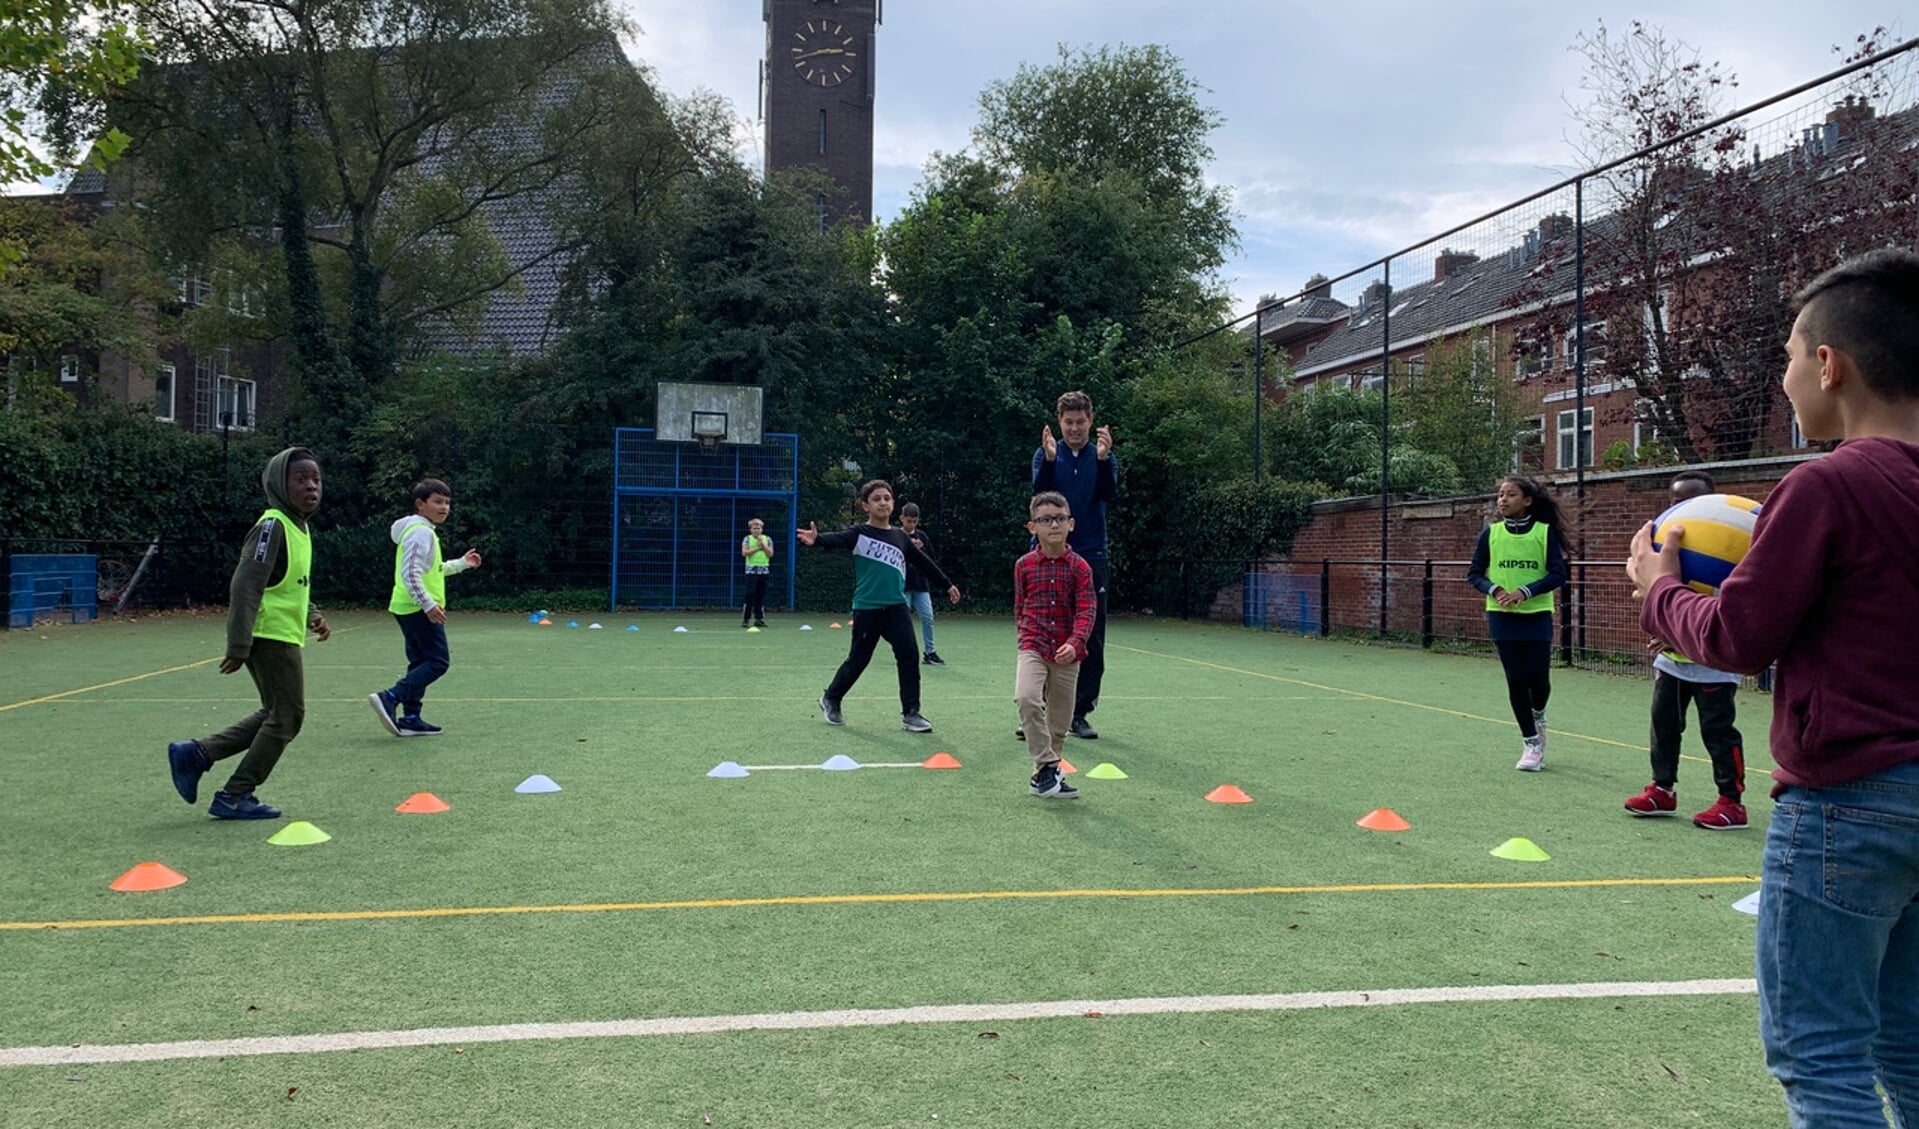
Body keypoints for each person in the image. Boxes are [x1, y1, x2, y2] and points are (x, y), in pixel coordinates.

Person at [1630, 249, 1919, 1129]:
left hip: (1849, 803)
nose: (1787, 375)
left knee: (1820, 1053)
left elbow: (1735, 638)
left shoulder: (1827, 483)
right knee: (1907, 1045)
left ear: (1828, 364)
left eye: (1790, 355)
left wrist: (1657, 591)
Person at [165, 447, 330, 820]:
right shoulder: (272, 525)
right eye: (300, 479)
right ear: (278, 484)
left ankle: (196, 753)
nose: (311, 487)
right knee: (288, 717)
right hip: (267, 634)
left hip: (282, 631)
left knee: (277, 712)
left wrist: (313, 614)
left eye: (316, 479)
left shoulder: (298, 527)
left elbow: (290, 582)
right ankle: (235, 794)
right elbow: (246, 584)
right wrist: (238, 644)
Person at [1623, 470, 1746, 828]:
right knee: (1664, 727)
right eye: (1676, 502)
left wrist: (1678, 631)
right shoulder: (1665, 545)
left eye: (1691, 501)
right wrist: (1667, 629)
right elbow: (1658, 599)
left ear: (1708, 502)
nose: (1682, 508)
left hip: (1713, 663)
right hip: (1673, 662)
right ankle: (1663, 789)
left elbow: (1720, 611)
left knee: (1718, 732)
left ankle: (1731, 802)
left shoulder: (1729, 546)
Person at [800, 480, 960, 732]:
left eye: (887, 498)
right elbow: (836, 539)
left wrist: (947, 584)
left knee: (909, 655)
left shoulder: (900, 537)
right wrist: (817, 539)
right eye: (877, 499)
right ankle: (831, 697)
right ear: (866, 505)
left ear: (893, 503)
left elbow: (923, 562)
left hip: (896, 608)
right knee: (859, 659)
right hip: (867, 608)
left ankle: (911, 713)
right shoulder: (859, 533)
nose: (883, 502)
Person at [1029, 389, 1117, 739]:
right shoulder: (1046, 453)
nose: (1075, 428)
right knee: (1043, 631)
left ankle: (1079, 713)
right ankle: (1037, 712)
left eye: (1081, 422)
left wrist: (1103, 458)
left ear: (1091, 422)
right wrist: (1050, 462)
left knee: (1091, 637)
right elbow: (1038, 497)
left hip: (1092, 554)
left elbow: (1109, 496)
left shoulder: (1104, 457)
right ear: (1060, 422)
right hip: (1048, 555)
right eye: (1069, 422)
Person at [1465, 475, 1569, 771]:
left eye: (1510, 495)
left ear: (1527, 501)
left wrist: (1525, 592)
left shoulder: (1543, 533)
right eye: (1500, 495)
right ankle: (1531, 743)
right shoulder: (1491, 534)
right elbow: (1474, 573)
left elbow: (1557, 574)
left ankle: (1539, 715)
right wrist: (1495, 590)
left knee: (1538, 677)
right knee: (1515, 678)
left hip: (1536, 615)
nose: (1503, 500)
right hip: (1501, 617)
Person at [369, 478, 482, 737]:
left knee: (420, 661)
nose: (444, 508)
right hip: (417, 608)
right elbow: (410, 573)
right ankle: (391, 696)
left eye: (447, 503)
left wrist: (463, 563)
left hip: (408, 606)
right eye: (438, 502)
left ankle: (411, 717)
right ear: (420, 504)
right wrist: (429, 605)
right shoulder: (421, 533)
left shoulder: (420, 531)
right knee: (438, 661)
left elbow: (434, 570)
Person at [1015, 492, 1097, 799]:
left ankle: (1045, 777)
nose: (1053, 525)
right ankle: (1049, 766)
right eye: (1045, 520)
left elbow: (1087, 610)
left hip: (1068, 653)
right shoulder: (1023, 565)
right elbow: (1020, 606)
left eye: (1059, 519)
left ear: (1071, 524)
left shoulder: (1080, 567)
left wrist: (1075, 643)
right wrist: (1024, 639)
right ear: (1032, 527)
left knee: (1059, 722)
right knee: (1026, 698)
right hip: (1033, 645)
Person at [898, 502, 943, 665]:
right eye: (908, 521)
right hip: (903, 586)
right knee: (903, 621)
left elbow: (931, 562)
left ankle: (930, 652)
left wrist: (921, 550)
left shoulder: (922, 537)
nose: (911, 524)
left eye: (914, 521)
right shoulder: (897, 536)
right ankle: (904, 651)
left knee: (928, 617)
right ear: (902, 518)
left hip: (921, 586)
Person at [741, 516, 774, 628]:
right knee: (750, 594)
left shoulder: (767, 539)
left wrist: (763, 545)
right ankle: (746, 619)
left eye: (758, 528)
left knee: (760, 595)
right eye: (754, 528)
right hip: (751, 571)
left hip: (764, 570)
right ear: (750, 529)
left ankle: (759, 619)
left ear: (762, 529)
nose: (757, 530)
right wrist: (757, 548)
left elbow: (770, 554)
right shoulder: (747, 539)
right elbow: (744, 553)